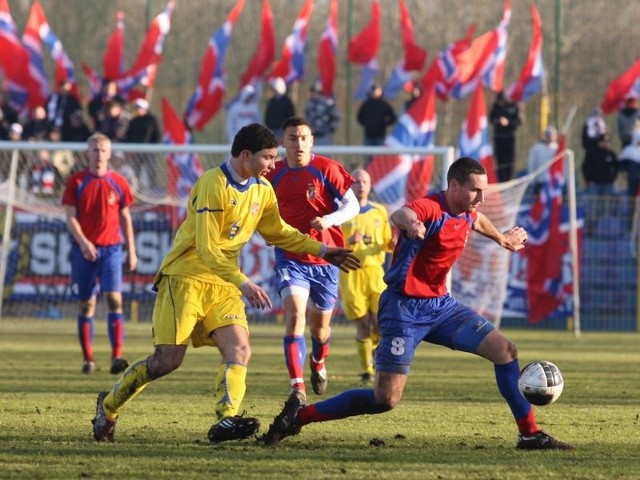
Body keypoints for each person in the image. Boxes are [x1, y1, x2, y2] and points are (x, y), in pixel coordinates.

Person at [263, 157, 574, 451]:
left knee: (506, 351)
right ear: (454, 186)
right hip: (403, 310)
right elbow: (401, 214)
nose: (481, 196)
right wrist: (411, 225)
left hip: (442, 307)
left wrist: (501, 239)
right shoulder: (431, 207)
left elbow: (476, 220)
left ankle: (530, 434)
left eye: (483, 189)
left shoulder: (466, 210)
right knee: (384, 399)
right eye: (475, 189)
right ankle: (299, 417)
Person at [91, 123, 360, 444]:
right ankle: (108, 406)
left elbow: (280, 232)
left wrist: (325, 249)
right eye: (268, 158)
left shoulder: (262, 189)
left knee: (240, 349)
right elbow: (206, 248)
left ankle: (226, 419)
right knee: (166, 361)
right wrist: (244, 282)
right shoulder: (212, 183)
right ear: (246, 156)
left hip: (223, 284)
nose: (274, 165)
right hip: (185, 279)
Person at [265, 116, 360, 401]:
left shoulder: (327, 169)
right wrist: (265, 232)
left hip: (327, 260)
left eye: (304, 138)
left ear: (312, 141)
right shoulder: (272, 174)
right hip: (290, 256)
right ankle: (297, 387)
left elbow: (352, 205)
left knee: (320, 330)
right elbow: (258, 211)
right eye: (293, 138)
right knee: (295, 318)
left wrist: (329, 220)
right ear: (283, 142)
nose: (299, 143)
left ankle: (318, 363)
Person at [62, 133, 137, 375]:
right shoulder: (76, 181)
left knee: (115, 300)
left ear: (110, 153)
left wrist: (132, 251)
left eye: (103, 150)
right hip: (84, 251)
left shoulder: (119, 182)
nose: (99, 154)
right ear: (87, 153)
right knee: (86, 305)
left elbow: (125, 218)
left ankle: (117, 357)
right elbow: (70, 216)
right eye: (95, 150)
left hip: (112, 250)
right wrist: (83, 242)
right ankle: (89, 359)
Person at [338, 168, 395, 384]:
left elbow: (388, 242)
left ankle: (378, 362)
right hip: (351, 274)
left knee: (380, 323)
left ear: (370, 185)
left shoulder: (380, 211)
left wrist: (392, 244)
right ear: (350, 186)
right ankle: (367, 369)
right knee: (363, 324)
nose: (361, 185)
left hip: (375, 273)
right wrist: (348, 243)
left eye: (365, 181)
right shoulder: (342, 213)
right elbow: (331, 243)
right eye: (357, 181)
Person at [489, 91, 521, 183]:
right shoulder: (496, 107)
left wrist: (508, 122)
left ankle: (508, 179)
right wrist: (498, 121)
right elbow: (491, 119)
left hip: (509, 137)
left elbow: (518, 121)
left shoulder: (513, 106)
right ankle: (500, 179)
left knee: (509, 161)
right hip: (499, 137)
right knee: (499, 161)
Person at [357, 84, 397, 150]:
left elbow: (393, 117)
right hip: (368, 136)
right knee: (368, 156)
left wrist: (384, 123)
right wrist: (367, 123)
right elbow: (359, 117)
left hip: (380, 136)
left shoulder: (384, 105)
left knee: (379, 157)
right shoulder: (366, 105)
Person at [527, 126, 558, 194]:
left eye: (551, 135)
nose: (549, 137)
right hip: (540, 182)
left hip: (554, 183)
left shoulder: (558, 149)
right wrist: (532, 181)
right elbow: (531, 165)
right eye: (548, 135)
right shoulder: (536, 148)